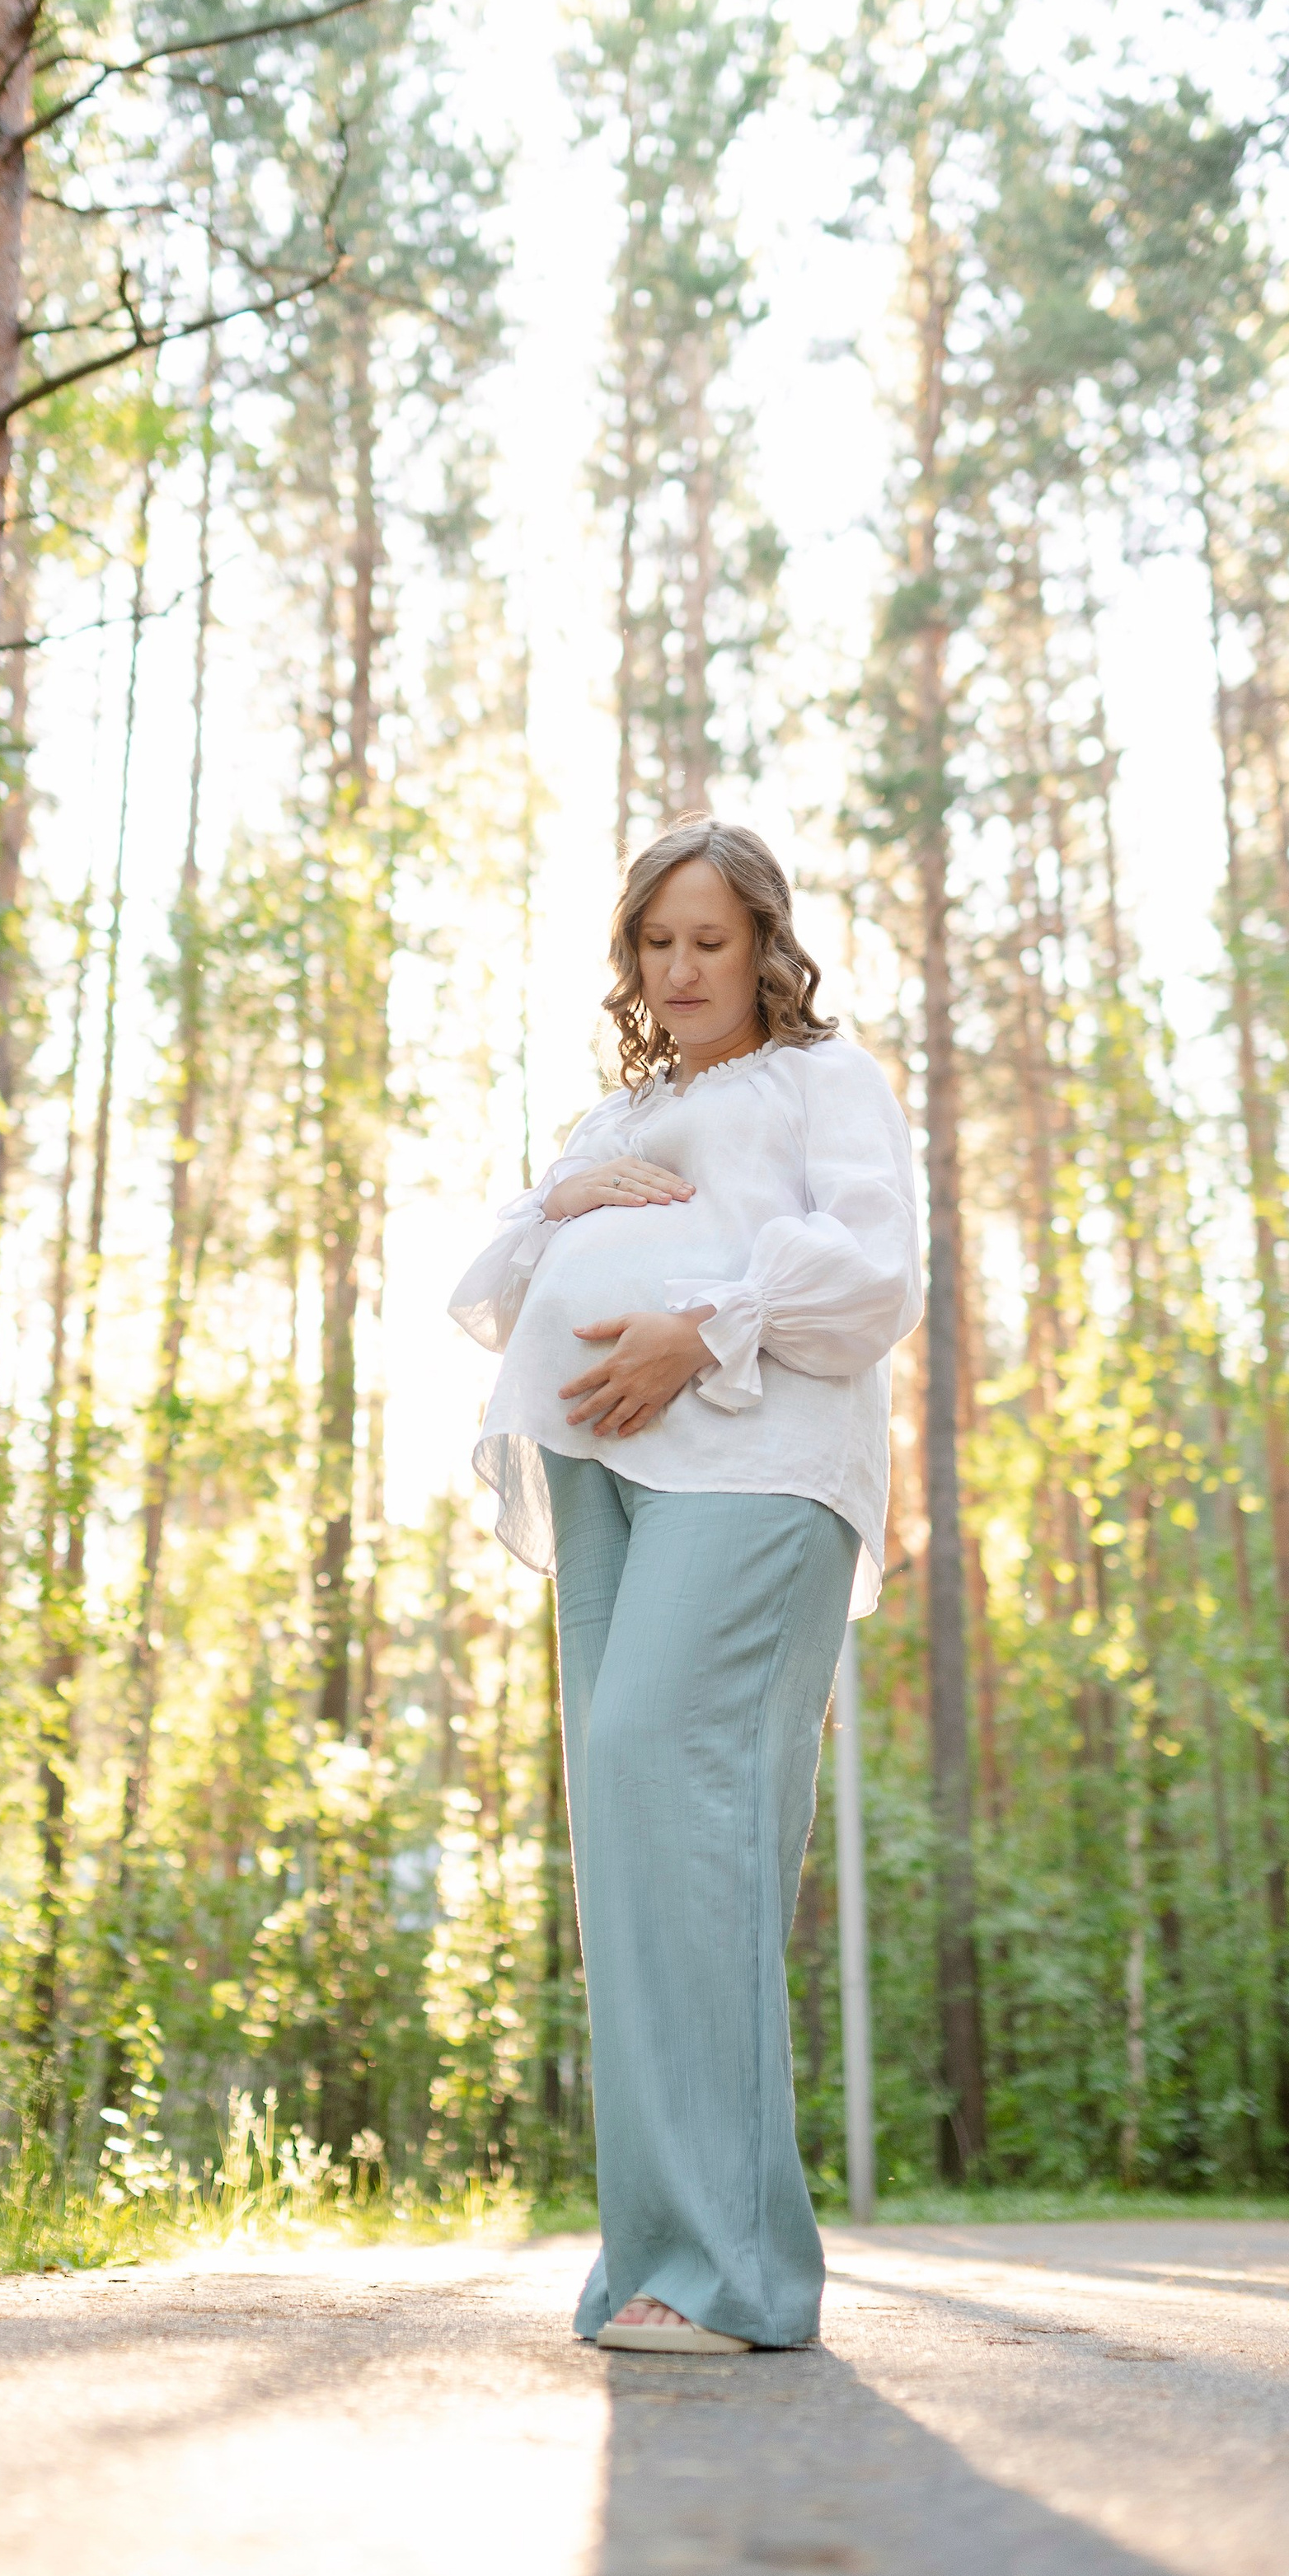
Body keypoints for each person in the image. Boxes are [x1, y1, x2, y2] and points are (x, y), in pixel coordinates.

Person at [449, 816, 922, 2353]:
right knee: (630, 1838)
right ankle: (661, 2261)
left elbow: (869, 1279)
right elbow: (493, 1288)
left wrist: (696, 1329)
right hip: (606, 1470)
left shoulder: (824, 1083)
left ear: (769, 945)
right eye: (657, 943)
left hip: (758, 1460)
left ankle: (736, 2273)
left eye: (710, 940)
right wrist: (562, 1207)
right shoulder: (623, 1109)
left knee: (686, 1793)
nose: (682, 968)